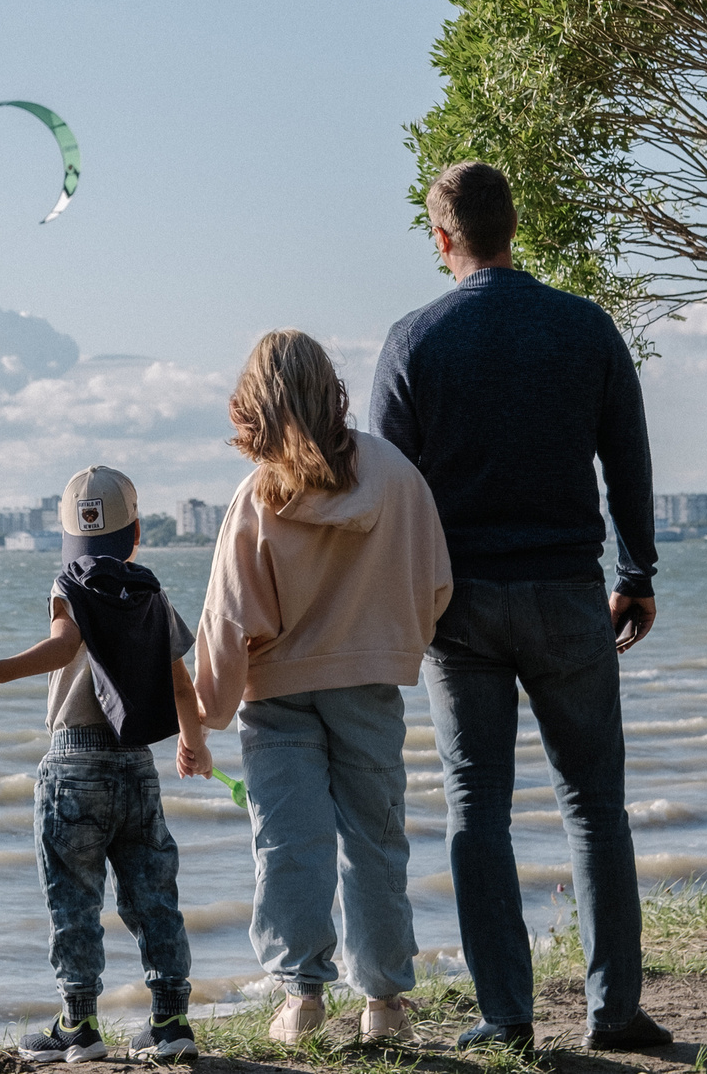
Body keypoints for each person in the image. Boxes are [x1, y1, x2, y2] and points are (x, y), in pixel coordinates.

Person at [369, 162, 673, 1054]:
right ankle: (614, 1010)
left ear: (442, 239)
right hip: (569, 594)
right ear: (514, 225)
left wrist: (404, 607)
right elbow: (629, 458)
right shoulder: (584, 326)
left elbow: (390, 489)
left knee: (476, 809)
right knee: (595, 805)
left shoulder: (413, 339)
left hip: (458, 608)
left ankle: (506, 1017)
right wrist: (638, 570)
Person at [194, 331, 453, 1048]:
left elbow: (228, 619)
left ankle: (302, 996)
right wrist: (391, 642)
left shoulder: (258, 494)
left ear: (257, 403)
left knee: (289, 843)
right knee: (377, 839)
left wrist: (207, 711)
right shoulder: (396, 474)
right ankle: (385, 1004)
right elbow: (436, 583)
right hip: (370, 682)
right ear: (330, 388)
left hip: (276, 694)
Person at [0, 466, 209, 1065]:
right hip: (136, 766)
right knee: (153, 897)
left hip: (74, 765)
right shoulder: (151, 594)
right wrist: (193, 742)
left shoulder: (68, 581)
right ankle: (170, 1021)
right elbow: (180, 681)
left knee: (73, 901)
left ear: (69, 537)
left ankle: (79, 1025)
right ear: (136, 533)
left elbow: (64, 645)